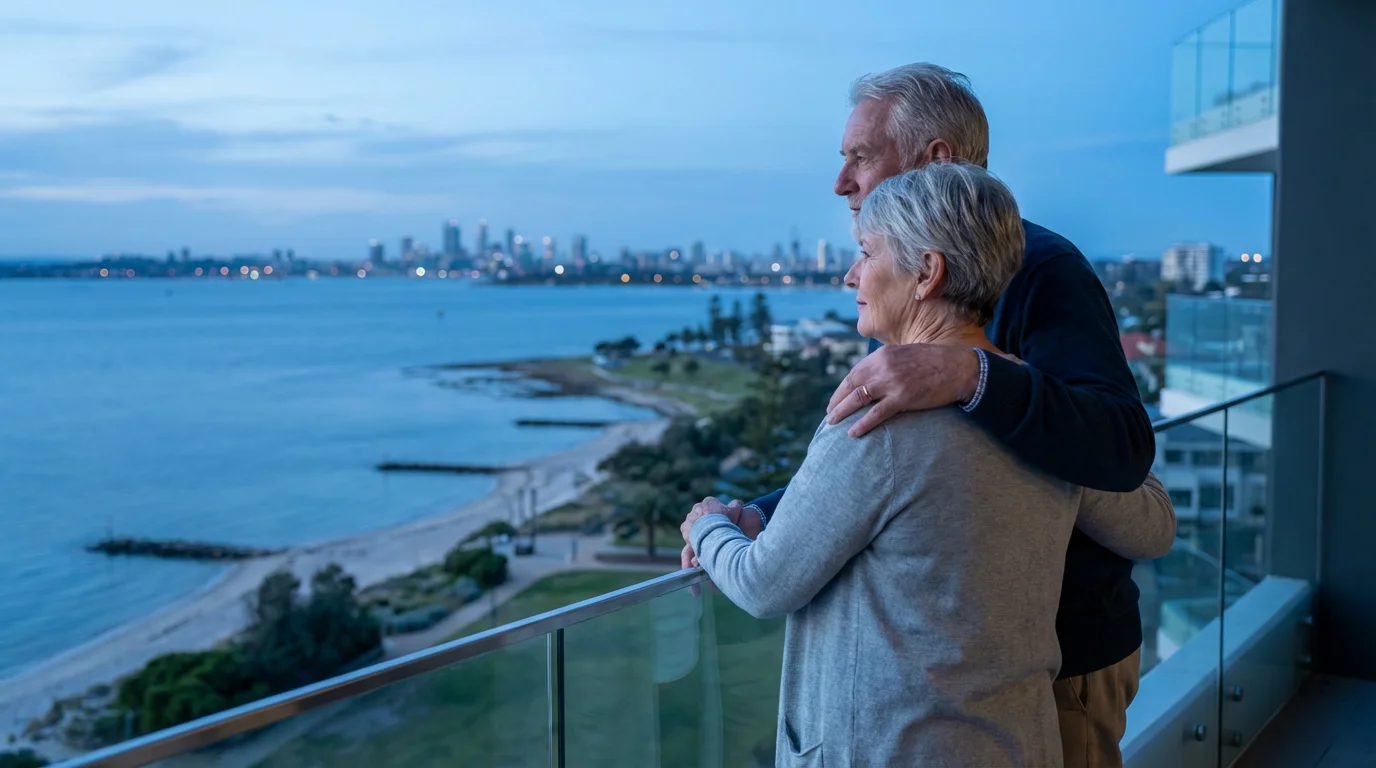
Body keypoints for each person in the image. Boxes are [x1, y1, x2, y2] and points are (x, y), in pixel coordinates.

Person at [702, 63, 1157, 768]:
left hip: (1056, 664)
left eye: (860, 156)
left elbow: (1121, 448)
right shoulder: (947, 303)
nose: (841, 182)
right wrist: (773, 511)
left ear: (936, 159)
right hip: (968, 677)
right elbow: (896, 466)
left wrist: (970, 370)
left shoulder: (1040, 269)